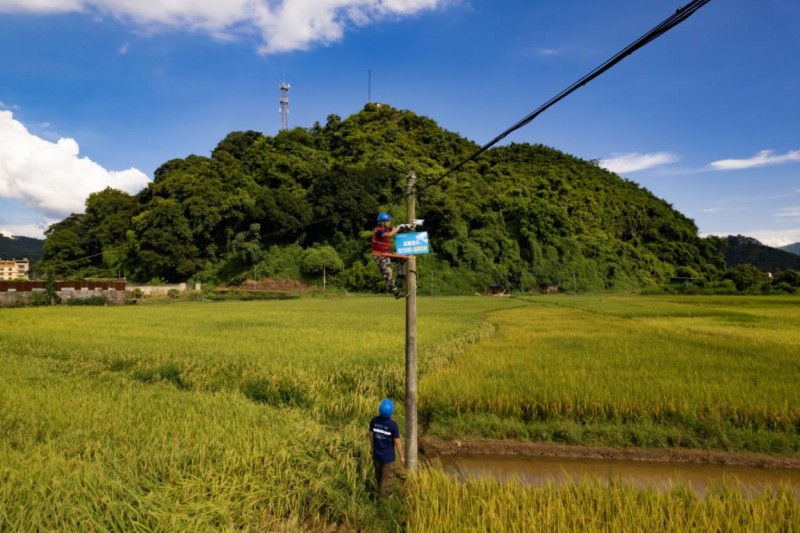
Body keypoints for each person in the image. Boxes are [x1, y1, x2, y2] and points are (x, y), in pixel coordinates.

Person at [369, 398, 405, 498]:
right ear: (391, 412)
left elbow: (371, 436)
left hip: (376, 455)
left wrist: (372, 448)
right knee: (387, 479)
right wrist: (402, 456)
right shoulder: (393, 425)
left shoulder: (374, 421)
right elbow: (397, 442)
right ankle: (383, 501)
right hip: (388, 458)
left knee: (379, 477)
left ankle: (379, 493)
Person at [372, 212, 407, 299]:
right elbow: (390, 234)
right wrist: (399, 227)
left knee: (402, 258)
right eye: (388, 221)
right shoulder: (378, 231)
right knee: (388, 274)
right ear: (382, 222)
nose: (389, 222)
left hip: (386, 253)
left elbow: (394, 229)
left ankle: (399, 276)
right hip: (380, 256)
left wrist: (406, 226)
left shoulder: (387, 228)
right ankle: (396, 293)